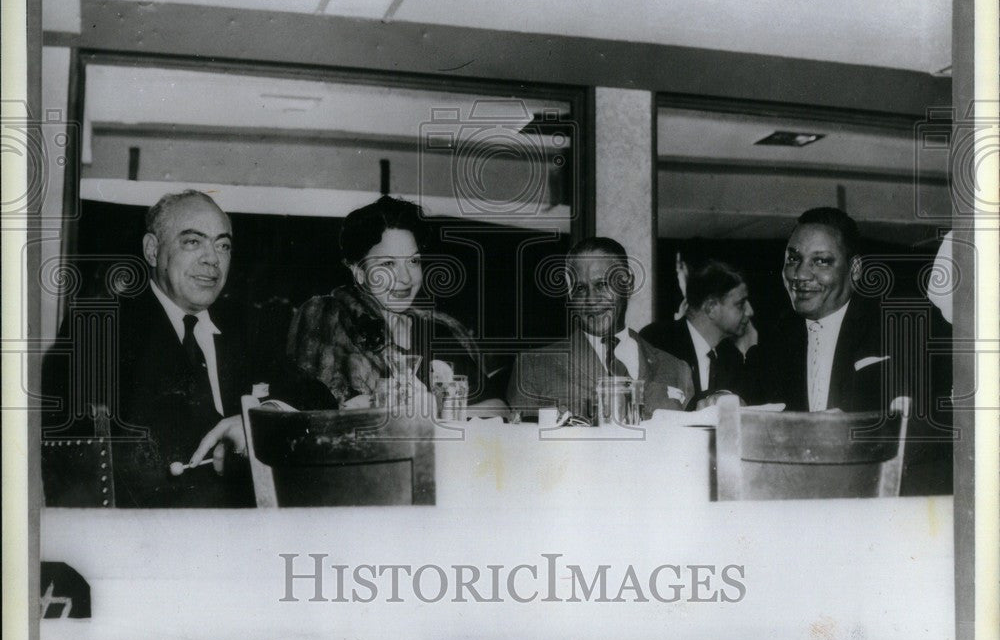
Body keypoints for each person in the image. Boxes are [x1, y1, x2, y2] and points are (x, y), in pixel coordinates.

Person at [42, 190, 254, 507]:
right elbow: (77, 460)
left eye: (223, 245)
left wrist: (258, 422)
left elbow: (313, 397)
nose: (212, 258)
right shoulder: (99, 328)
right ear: (152, 251)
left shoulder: (248, 326)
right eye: (193, 242)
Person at [285, 196, 507, 415]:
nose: (406, 278)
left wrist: (433, 411)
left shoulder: (435, 331)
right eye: (388, 263)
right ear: (360, 272)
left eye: (413, 261)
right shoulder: (328, 319)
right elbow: (300, 411)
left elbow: (500, 409)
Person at [506, 237, 694, 420]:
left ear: (628, 283)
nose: (591, 299)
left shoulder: (677, 369)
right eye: (580, 289)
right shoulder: (533, 368)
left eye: (602, 284)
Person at [746, 206, 899, 413]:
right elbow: (739, 395)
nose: (800, 275)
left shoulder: (894, 329)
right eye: (793, 259)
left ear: (854, 270)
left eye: (820, 261)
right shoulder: (773, 346)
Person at [639, 260, 755, 408]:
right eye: (740, 304)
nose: (750, 312)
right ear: (711, 307)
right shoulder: (657, 340)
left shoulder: (732, 356)